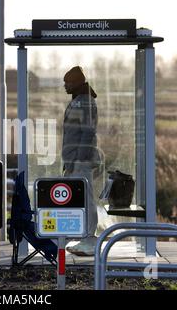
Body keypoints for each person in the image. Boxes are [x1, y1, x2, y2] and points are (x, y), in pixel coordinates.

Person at [61, 66, 101, 256]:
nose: (65, 86)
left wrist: (78, 159)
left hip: (80, 160)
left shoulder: (84, 102)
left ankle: (90, 239)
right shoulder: (79, 100)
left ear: (76, 83)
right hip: (74, 160)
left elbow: (87, 132)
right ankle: (84, 236)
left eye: (67, 82)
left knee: (86, 198)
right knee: (79, 199)